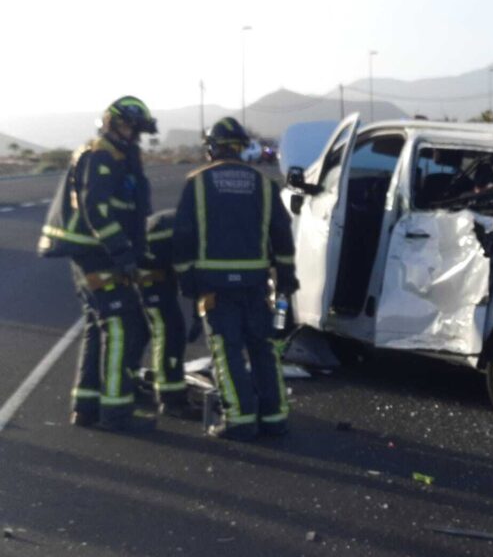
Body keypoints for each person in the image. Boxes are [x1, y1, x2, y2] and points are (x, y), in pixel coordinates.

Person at [172, 117, 298, 441]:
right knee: (263, 349)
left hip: (214, 287)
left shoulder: (197, 183)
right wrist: (285, 277)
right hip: (255, 286)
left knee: (226, 352)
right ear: (243, 149)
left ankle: (239, 420)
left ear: (212, 149)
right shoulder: (264, 183)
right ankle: (275, 418)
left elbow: (183, 237)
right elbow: (282, 234)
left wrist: (187, 280)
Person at [38, 96, 157, 431]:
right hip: (95, 253)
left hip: (99, 251)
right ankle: (116, 412)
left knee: (97, 324)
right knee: (122, 325)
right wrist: (123, 254)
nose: (132, 134)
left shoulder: (118, 154)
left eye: (136, 129)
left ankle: (87, 406)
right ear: (110, 123)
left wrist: (135, 250)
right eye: (127, 126)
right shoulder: (101, 154)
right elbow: (98, 210)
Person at [139, 209, 190, 416]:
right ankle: (170, 399)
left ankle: (166, 391)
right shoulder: (208, 229)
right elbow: (192, 269)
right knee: (168, 329)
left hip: (158, 258)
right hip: (149, 264)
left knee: (167, 327)